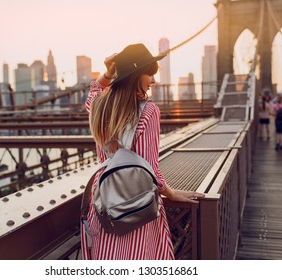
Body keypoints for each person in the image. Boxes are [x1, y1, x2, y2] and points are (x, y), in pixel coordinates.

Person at [81, 43, 205, 260]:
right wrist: (171, 193)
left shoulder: (99, 107)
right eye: (150, 73)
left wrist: (108, 72)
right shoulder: (149, 111)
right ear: (136, 75)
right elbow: (149, 169)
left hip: (104, 205)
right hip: (135, 209)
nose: (154, 80)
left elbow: (93, 94)